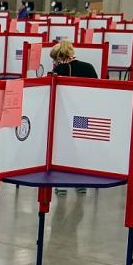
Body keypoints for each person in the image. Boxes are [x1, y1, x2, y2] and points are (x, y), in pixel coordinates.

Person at [49, 41, 95, 195]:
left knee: (62, 149)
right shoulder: (89, 67)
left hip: (64, 118)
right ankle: (81, 183)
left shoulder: (58, 70)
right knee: (80, 146)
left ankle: (61, 185)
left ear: (57, 58)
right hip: (84, 116)